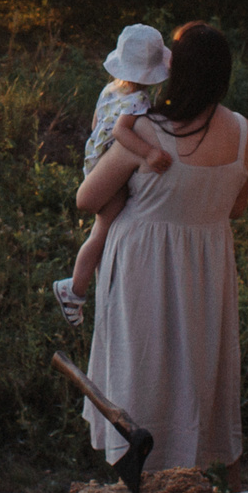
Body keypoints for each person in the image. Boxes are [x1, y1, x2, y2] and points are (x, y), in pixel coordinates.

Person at [71, 21, 248, 471]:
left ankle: (138, 475)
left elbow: (87, 198)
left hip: (143, 270)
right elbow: (236, 208)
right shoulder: (242, 133)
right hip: (206, 272)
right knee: (194, 369)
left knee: (143, 371)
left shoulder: (146, 132)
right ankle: (189, 471)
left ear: (175, 70)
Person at [52, 24, 175, 326]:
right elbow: (121, 132)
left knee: (105, 230)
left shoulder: (110, 89)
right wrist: (148, 152)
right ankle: (74, 289)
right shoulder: (139, 102)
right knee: (103, 230)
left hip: (96, 161)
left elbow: (97, 123)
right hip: (109, 169)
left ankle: (94, 287)